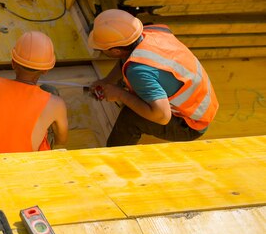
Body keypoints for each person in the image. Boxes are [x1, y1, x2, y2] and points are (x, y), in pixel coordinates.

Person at [87, 9, 219, 147]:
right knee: (131, 80)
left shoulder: (137, 71)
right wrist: (106, 81)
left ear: (115, 51)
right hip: (202, 104)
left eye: (102, 49)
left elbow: (161, 116)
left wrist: (120, 95)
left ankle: (114, 157)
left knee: (130, 118)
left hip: (191, 125)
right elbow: (127, 58)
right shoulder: (151, 31)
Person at [0, 31, 69, 155]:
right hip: (17, 168)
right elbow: (61, 140)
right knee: (51, 92)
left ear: (13, 63)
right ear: (46, 70)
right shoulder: (55, 104)